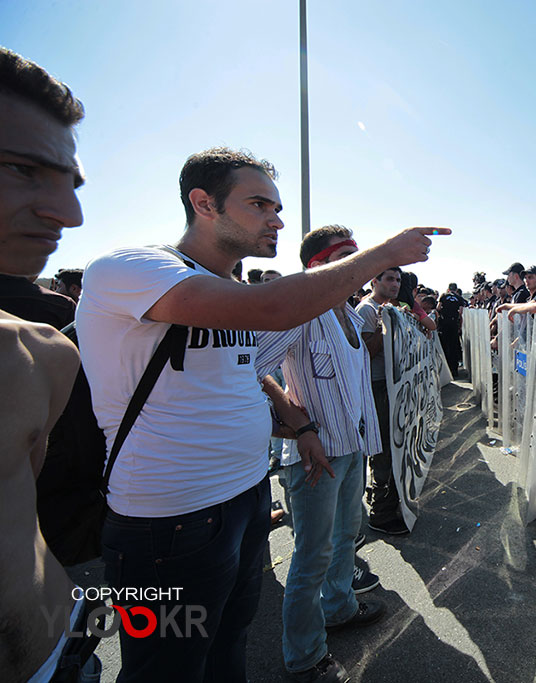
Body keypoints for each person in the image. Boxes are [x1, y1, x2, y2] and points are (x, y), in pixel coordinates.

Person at [76, 146, 446, 682]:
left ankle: (329, 617)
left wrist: (298, 425)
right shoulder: (132, 268)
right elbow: (274, 312)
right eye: (258, 204)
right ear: (203, 203)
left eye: (276, 206)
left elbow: (248, 372)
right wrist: (384, 252)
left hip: (245, 500)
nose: (276, 219)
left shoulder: (227, 291)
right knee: (165, 666)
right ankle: (308, 653)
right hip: (166, 523)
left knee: (229, 651)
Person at [0, 45, 102, 683]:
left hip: (64, 648)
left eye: (69, 181)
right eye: (19, 168)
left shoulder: (38, 356)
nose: (70, 215)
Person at [256, 224, 385, 682]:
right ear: (317, 267)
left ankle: (340, 609)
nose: (355, 267)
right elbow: (255, 369)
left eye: (357, 256)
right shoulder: (302, 310)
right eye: (343, 258)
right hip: (316, 457)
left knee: (345, 536)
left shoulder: (349, 314)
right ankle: (305, 656)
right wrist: (299, 427)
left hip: (352, 450)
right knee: (310, 555)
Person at [355, 268, 409, 535]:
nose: (395, 284)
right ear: (373, 281)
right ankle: (381, 512)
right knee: (384, 449)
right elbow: (366, 352)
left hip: (391, 385)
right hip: (377, 387)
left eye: (398, 280)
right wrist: (381, 322)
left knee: (392, 445)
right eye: (389, 278)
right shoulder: (367, 310)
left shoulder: (392, 308)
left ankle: (381, 499)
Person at [437, 282, 468, 376]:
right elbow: (461, 312)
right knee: (454, 346)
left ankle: (446, 371)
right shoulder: (459, 298)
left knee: (445, 346)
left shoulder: (443, 296)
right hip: (453, 324)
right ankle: (454, 370)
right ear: (456, 289)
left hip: (444, 323)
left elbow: (438, 308)